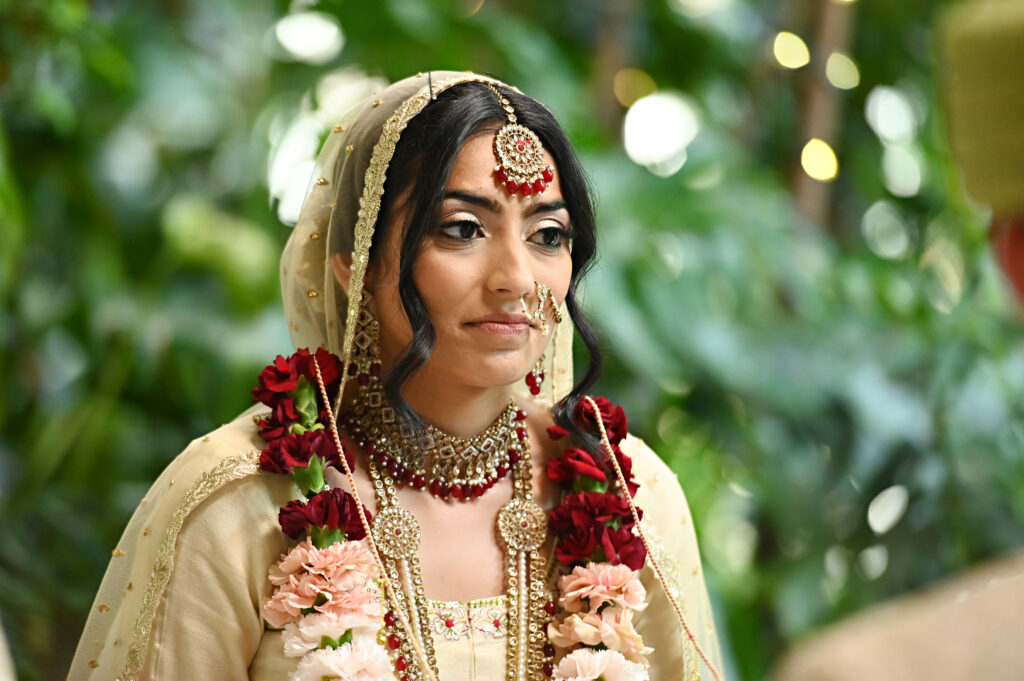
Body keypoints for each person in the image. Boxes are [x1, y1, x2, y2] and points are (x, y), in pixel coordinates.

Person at [68, 71, 724, 681]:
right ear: (353, 267)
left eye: (548, 235)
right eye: (463, 229)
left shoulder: (632, 496)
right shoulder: (239, 503)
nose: (518, 279)